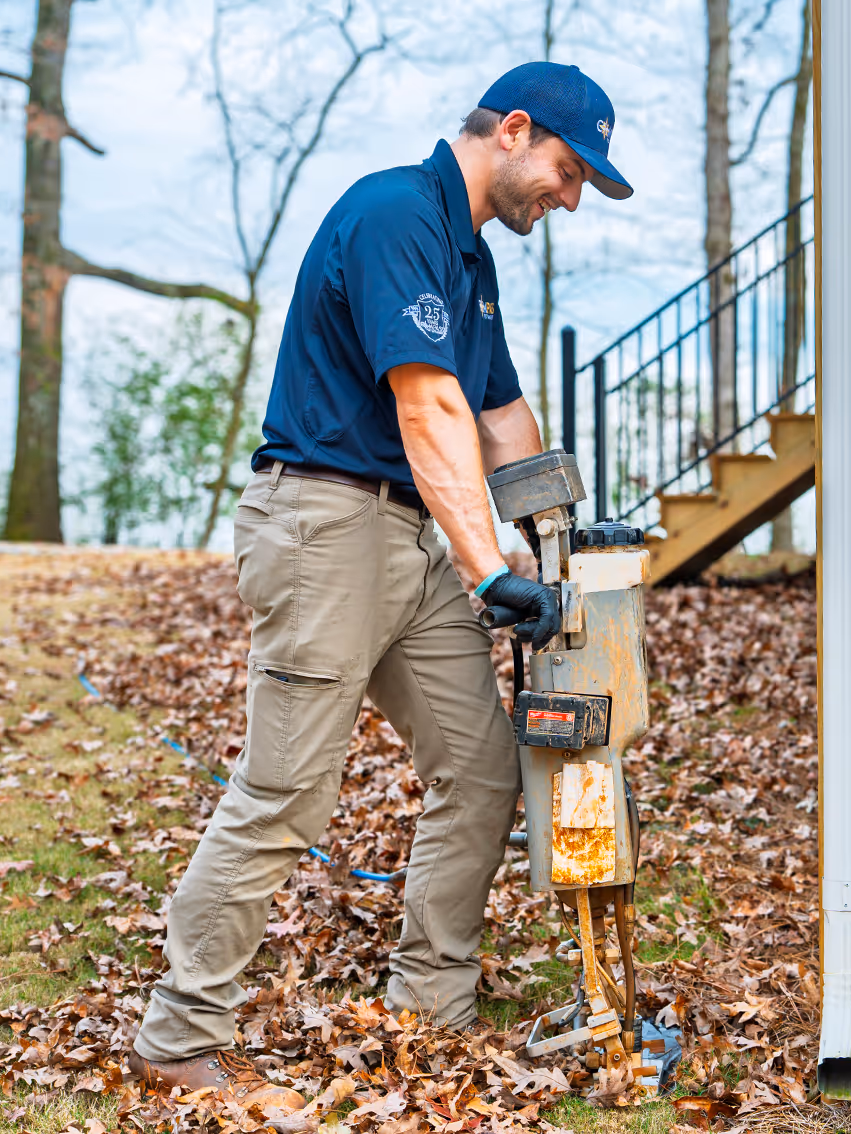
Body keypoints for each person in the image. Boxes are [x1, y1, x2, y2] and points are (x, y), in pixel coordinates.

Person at [127, 62, 633, 1099]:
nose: (570, 197)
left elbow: (498, 417)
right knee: (285, 793)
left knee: (483, 771)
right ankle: (181, 1036)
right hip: (323, 527)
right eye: (570, 171)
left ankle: (428, 1004)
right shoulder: (394, 214)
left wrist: (554, 545)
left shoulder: (469, 259)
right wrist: (492, 571)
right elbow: (430, 410)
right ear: (515, 131)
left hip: (405, 539)